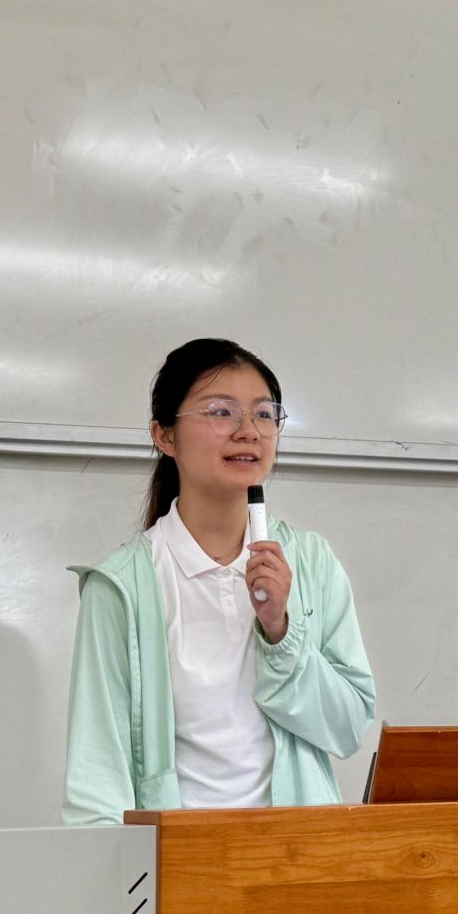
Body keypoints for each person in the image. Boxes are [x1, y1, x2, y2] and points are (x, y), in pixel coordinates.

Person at [62, 339, 375, 825]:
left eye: (264, 414)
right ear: (165, 436)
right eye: (221, 412)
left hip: (299, 852)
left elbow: (348, 729)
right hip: (180, 858)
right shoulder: (121, 586)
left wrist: (281, 632)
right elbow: (95, 777)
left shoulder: (311, 560)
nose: (248, 431)